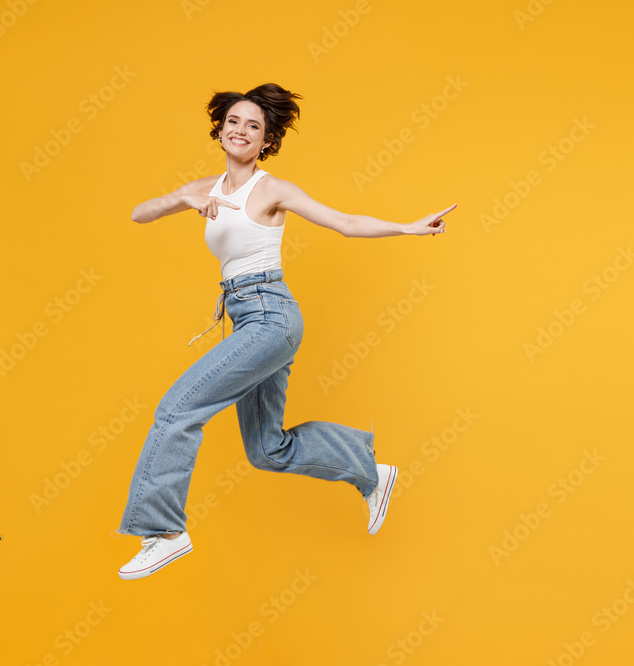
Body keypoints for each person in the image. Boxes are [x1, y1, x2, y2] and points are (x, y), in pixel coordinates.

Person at [116, 82, 455, 580]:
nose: (241, 130)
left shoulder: (271, 189)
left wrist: (406, 227)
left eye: (253, 126)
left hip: (270, 315)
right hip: (246, 316)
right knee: (266, 450)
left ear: (265, 140)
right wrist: (184, 200)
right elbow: (138, 213)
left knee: (176, 410)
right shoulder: (206, 188)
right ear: (221, 129)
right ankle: (369, 470)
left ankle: (164, 530)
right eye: (234, 122)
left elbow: (343, 222)